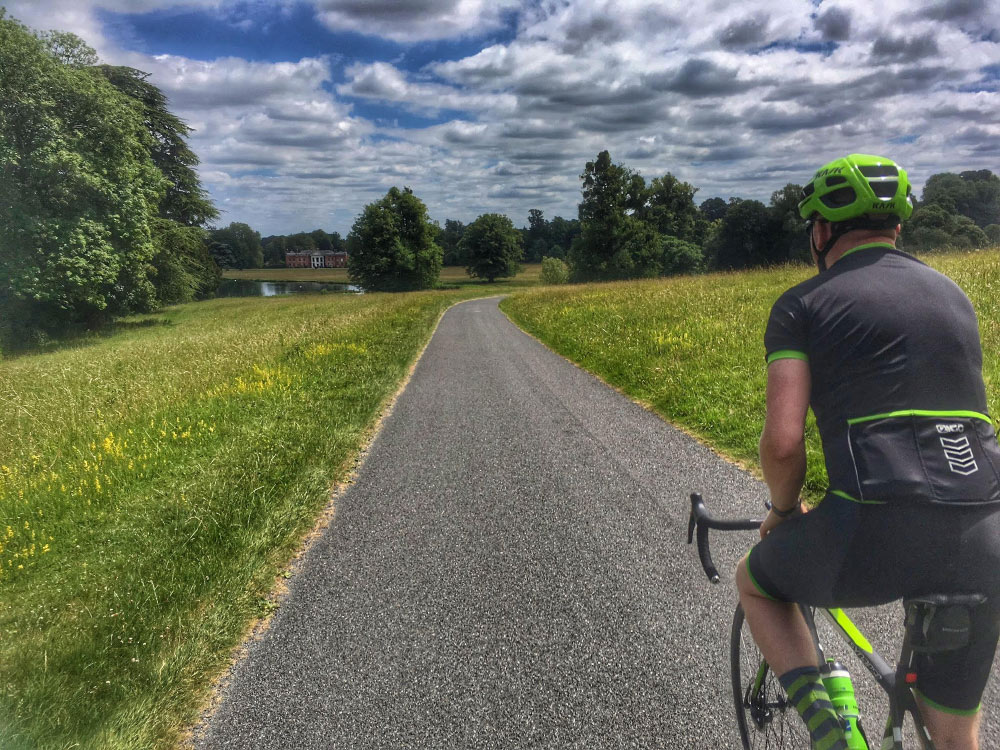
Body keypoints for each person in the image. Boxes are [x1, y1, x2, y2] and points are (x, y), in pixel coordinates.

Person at [734, 153, 1000, 750]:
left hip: (875, 527)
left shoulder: (802, 304)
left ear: (823, 229)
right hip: (986, 528)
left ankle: (830, 731)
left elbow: (783, 443)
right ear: (897, 226)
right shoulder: (954, 296)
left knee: (754, 582)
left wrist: (782, 511)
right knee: (955, 737)